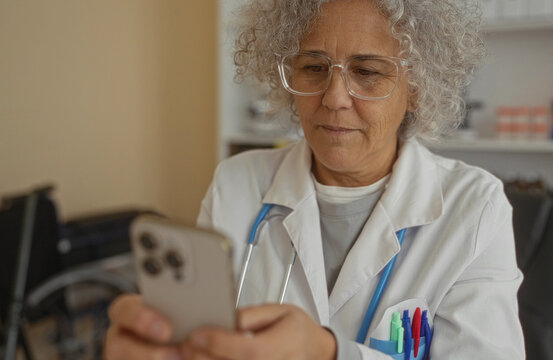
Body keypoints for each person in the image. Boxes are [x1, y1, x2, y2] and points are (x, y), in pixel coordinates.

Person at [104, 0, 526, 359]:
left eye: (367, 71)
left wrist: (328, 352)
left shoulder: (474, 207)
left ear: (416, 86)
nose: (334, 98)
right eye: (313, 67)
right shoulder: (236, 183)